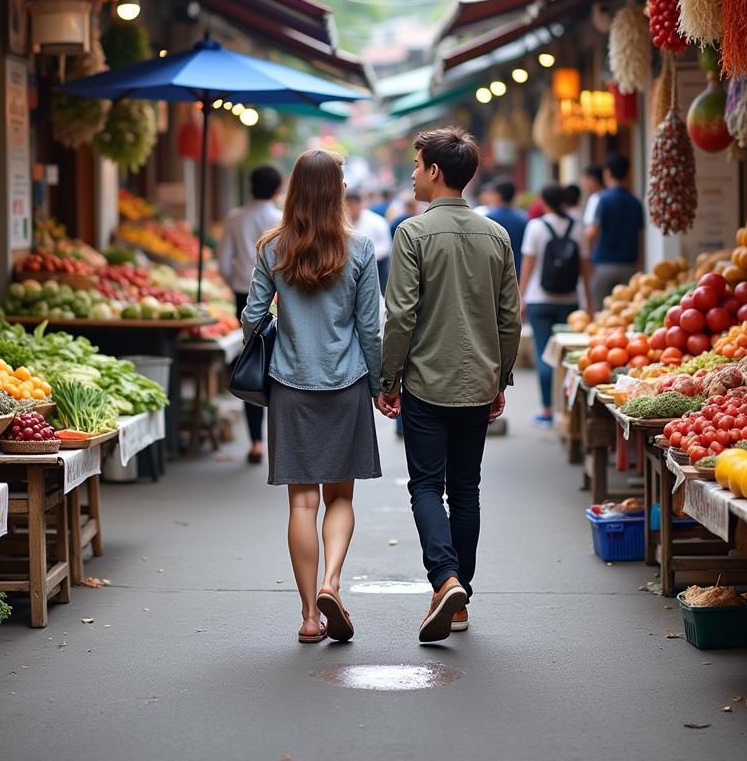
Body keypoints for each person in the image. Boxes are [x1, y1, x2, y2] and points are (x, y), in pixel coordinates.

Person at [379, 127, 521, 642]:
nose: (413, 175)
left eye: (417, 166)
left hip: (424, 382)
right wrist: (501, 376)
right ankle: (459, 603)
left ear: (435, 172)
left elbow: (399, 315)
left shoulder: (413, 234)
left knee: (425, 486)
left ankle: (444, 579)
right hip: (478, 383)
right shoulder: (497, 236)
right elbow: (510, 317)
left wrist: (387, 378)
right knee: (466, 489)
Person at [242, 150, 382, 645]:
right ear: (339, 190)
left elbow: (252, 319)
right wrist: (382, 386)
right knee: (340, 495)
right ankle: (332, 582)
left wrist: (281, 327)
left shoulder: (273, 247)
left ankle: (307, 616)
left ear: (294, 189)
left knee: (302, 503)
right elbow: (371, 328)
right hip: (346, 385)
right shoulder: (360, 248)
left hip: (289, 385)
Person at [218, 165, 283, 464]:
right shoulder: (281, 219)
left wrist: (236, 283)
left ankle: (256, 441)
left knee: (251, 362)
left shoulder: (234, 217)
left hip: (243, 295)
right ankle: (280, 438)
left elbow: (223, 262)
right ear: (277, 188)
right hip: (277, 296)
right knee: (277, 363)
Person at [518, 184, 592, 425]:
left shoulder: (536, 226)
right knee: (567, 357)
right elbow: (585, 270)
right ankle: (567, 411)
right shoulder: (577, 227)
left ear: (544, 201)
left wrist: (521, 297)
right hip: (569, 300)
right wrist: (588, 301)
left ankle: (547, 410)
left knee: (544, 354)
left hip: (540, 300)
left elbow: (528, 265)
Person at [587, 152, 644, 311]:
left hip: (603, 266)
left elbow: (591, 233)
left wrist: (587, 262)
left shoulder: (602, 199)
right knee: (626, 314)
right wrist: (639, 266)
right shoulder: (635, 202)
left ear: (607, 172)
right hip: (629, 266)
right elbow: (640, 238)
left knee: (601, 315)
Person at [346, 189, 393, 291]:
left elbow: (386, 246)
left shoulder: (377, 222)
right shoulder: (342, 223)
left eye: (352, 204)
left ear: (359, 204)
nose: (350, 209)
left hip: (377, 265)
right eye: (347, 205)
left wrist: (366, 256)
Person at [484, 179, 528, 280]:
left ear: (498, 195)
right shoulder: (524, 217)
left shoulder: (488, 218)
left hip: (495, 272)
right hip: (518, 271)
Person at [581, 164, 605, 230]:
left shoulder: (595, 199)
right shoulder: (608, 196)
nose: (582, 183)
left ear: (592, 179)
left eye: (585, 179)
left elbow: (591, 231)